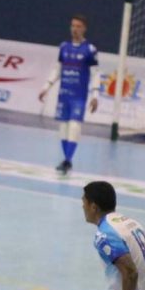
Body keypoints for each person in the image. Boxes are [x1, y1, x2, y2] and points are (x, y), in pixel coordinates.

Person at [39, 14, 100, 175]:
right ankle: (67, 160)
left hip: (79, 96)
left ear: (84, 29)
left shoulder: (90, 49)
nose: (75, 29)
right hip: (64, 94)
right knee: (64, 127)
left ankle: (67, 160)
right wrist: (46, 87)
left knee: (74, 126)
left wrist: (95, 96)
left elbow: (95, 74)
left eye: (78, 26)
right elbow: (58, 69)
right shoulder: (64, 47)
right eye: (73, 26)